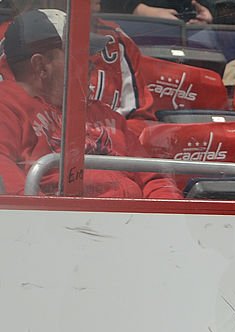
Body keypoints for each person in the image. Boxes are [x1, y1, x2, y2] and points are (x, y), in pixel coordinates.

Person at [0, 8, 181, 198]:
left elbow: (154, 178)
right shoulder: (7, 105)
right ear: (41, 66)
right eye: (79, 55)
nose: (92, 64)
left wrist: (167, 216)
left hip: (131, 221)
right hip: (63, 222)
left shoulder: (107, 116)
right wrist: (48, 218)